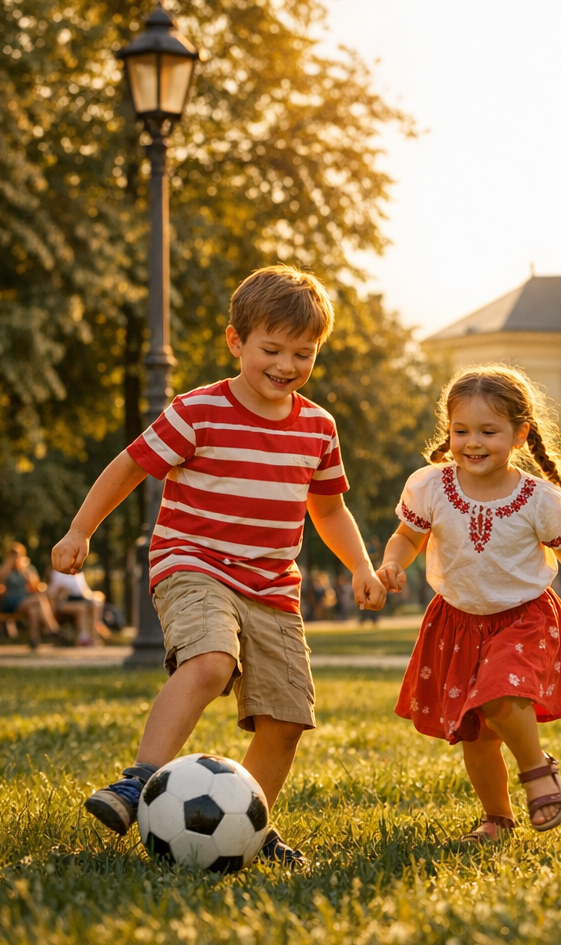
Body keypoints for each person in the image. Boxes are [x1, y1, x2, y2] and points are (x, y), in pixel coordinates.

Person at [50, 265, 385, 867]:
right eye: (271, 349)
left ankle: (250, 823)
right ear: (237, 342)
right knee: (209, 663)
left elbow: (329, 509)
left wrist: (360, 565)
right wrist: (80, 529)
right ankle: (138, 781)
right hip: (193, 564)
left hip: (273, 587)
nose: (286, 365)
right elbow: (129, 466)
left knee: (285, 719)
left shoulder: (317, 428)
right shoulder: (197, 410)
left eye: (303, 353)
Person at [375, 364, 561, 846]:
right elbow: (406, 537)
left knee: (501, 693)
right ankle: (497, 819)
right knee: (477, 735)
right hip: (457, 623)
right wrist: (392, 564)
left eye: (488, 431)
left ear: (520, 434)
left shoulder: (538, 499)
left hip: (525, 618)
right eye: (461, 431)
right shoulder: (431, 487)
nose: (472, 443)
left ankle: (536, 768)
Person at [0, 543, 58, 650]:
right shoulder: (5, 568)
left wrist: (23, 570)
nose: (15, 558)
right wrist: (8, 566)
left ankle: (34, 640)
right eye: (13, 555)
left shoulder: (27, 569)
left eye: (18, 555)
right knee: (39, 599)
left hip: (25, 601)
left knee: (33, 610)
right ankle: (51, 628)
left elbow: (35, 585)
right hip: (11, 602)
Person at [45, 565, 109, 646]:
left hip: (78, 600)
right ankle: (84, 637)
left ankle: (93, 636)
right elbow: (50, 594)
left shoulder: (77, 574)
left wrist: (95, 596)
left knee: (95, 604)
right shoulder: (57, 573)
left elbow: (85, 592)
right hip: (62, 603)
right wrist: (60, 590)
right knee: (82, 608)